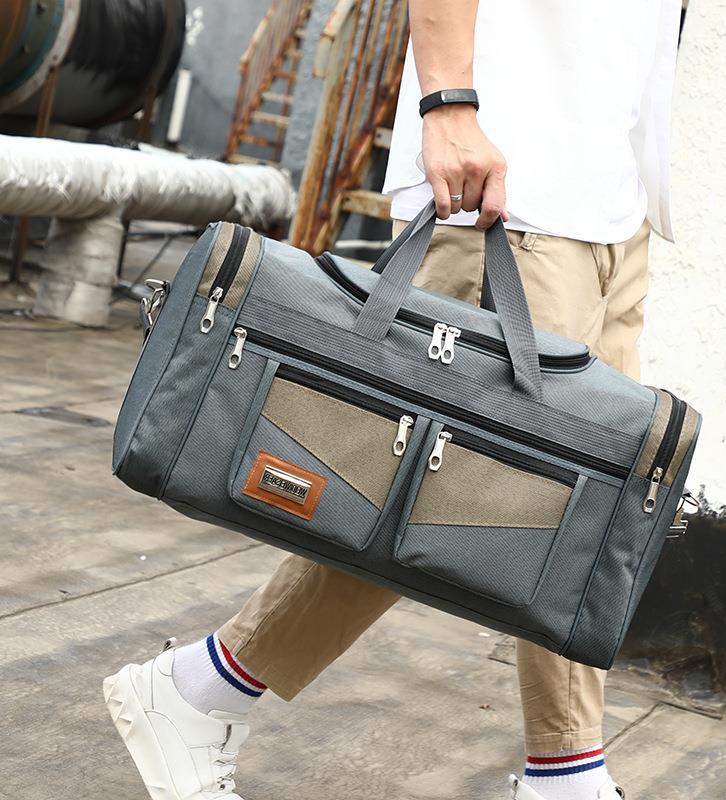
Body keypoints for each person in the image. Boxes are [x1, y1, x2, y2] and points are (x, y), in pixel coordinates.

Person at [103, 1, 681, 798]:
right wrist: (448, 104)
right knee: (433, 506)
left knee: (576, 514)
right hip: (514, 192)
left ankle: (565, 773)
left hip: (610, 206)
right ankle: (202, 690)